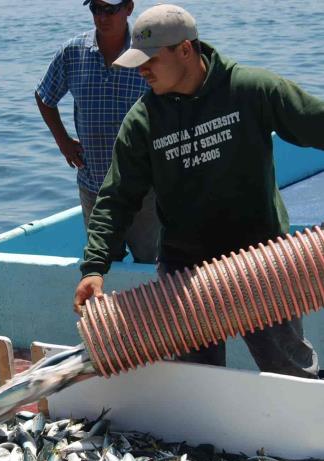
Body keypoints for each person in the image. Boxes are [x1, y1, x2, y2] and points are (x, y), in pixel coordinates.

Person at [73, 4, 324, 378]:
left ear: (186, 50)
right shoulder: (142, 121)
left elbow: (315, 124)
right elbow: (117, 198)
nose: (142, 71)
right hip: (186, 272)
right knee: (198, 381)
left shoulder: (250, 89)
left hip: (261, 259)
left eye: (150, 60)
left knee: (291, 372)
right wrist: (94, 267)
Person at [35, 0, 160, 264]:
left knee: (152, 264)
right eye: (96, 8)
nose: (102, 16)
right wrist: (63, 141)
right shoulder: (73, 52)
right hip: (94, 186)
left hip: (143, 188)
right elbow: (44, 96)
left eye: (110, 9)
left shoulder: (148, 53)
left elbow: (175, 106)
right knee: (103, 265)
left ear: (128, 8)